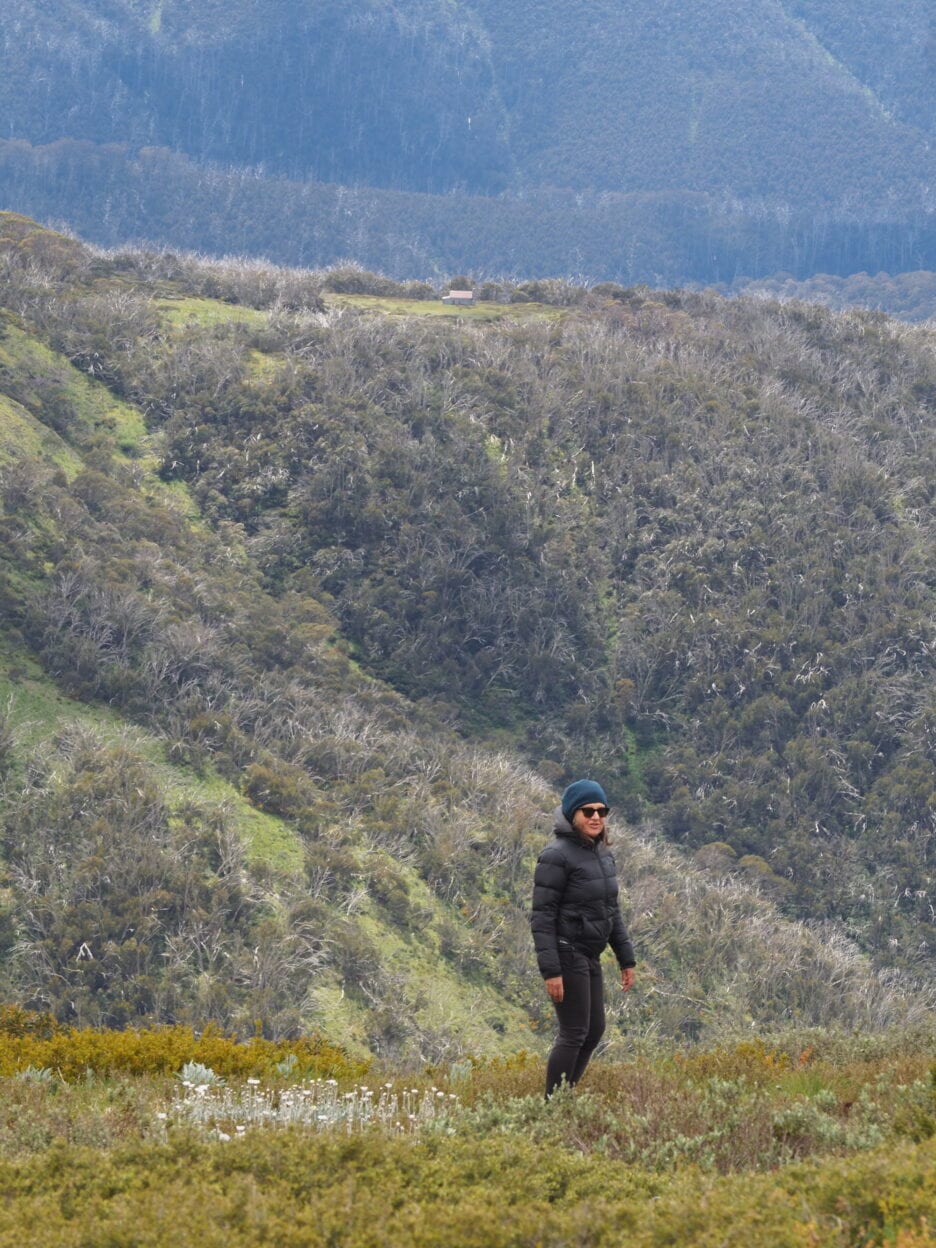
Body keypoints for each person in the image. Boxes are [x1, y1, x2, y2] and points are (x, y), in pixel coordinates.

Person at [531, 779, 636, 1098]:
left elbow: (610, 910)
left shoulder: (602, 854)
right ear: (571, 814)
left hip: (589, 953)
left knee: (594, 1031)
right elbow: (542, 917)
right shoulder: (556, 856)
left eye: (602, 811)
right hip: (566, 952)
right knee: (575, 1031)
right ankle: (552, 1105)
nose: (596, 817)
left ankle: (563, 1096)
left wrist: (625, 958)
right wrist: (551, 971)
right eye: (588, 810)